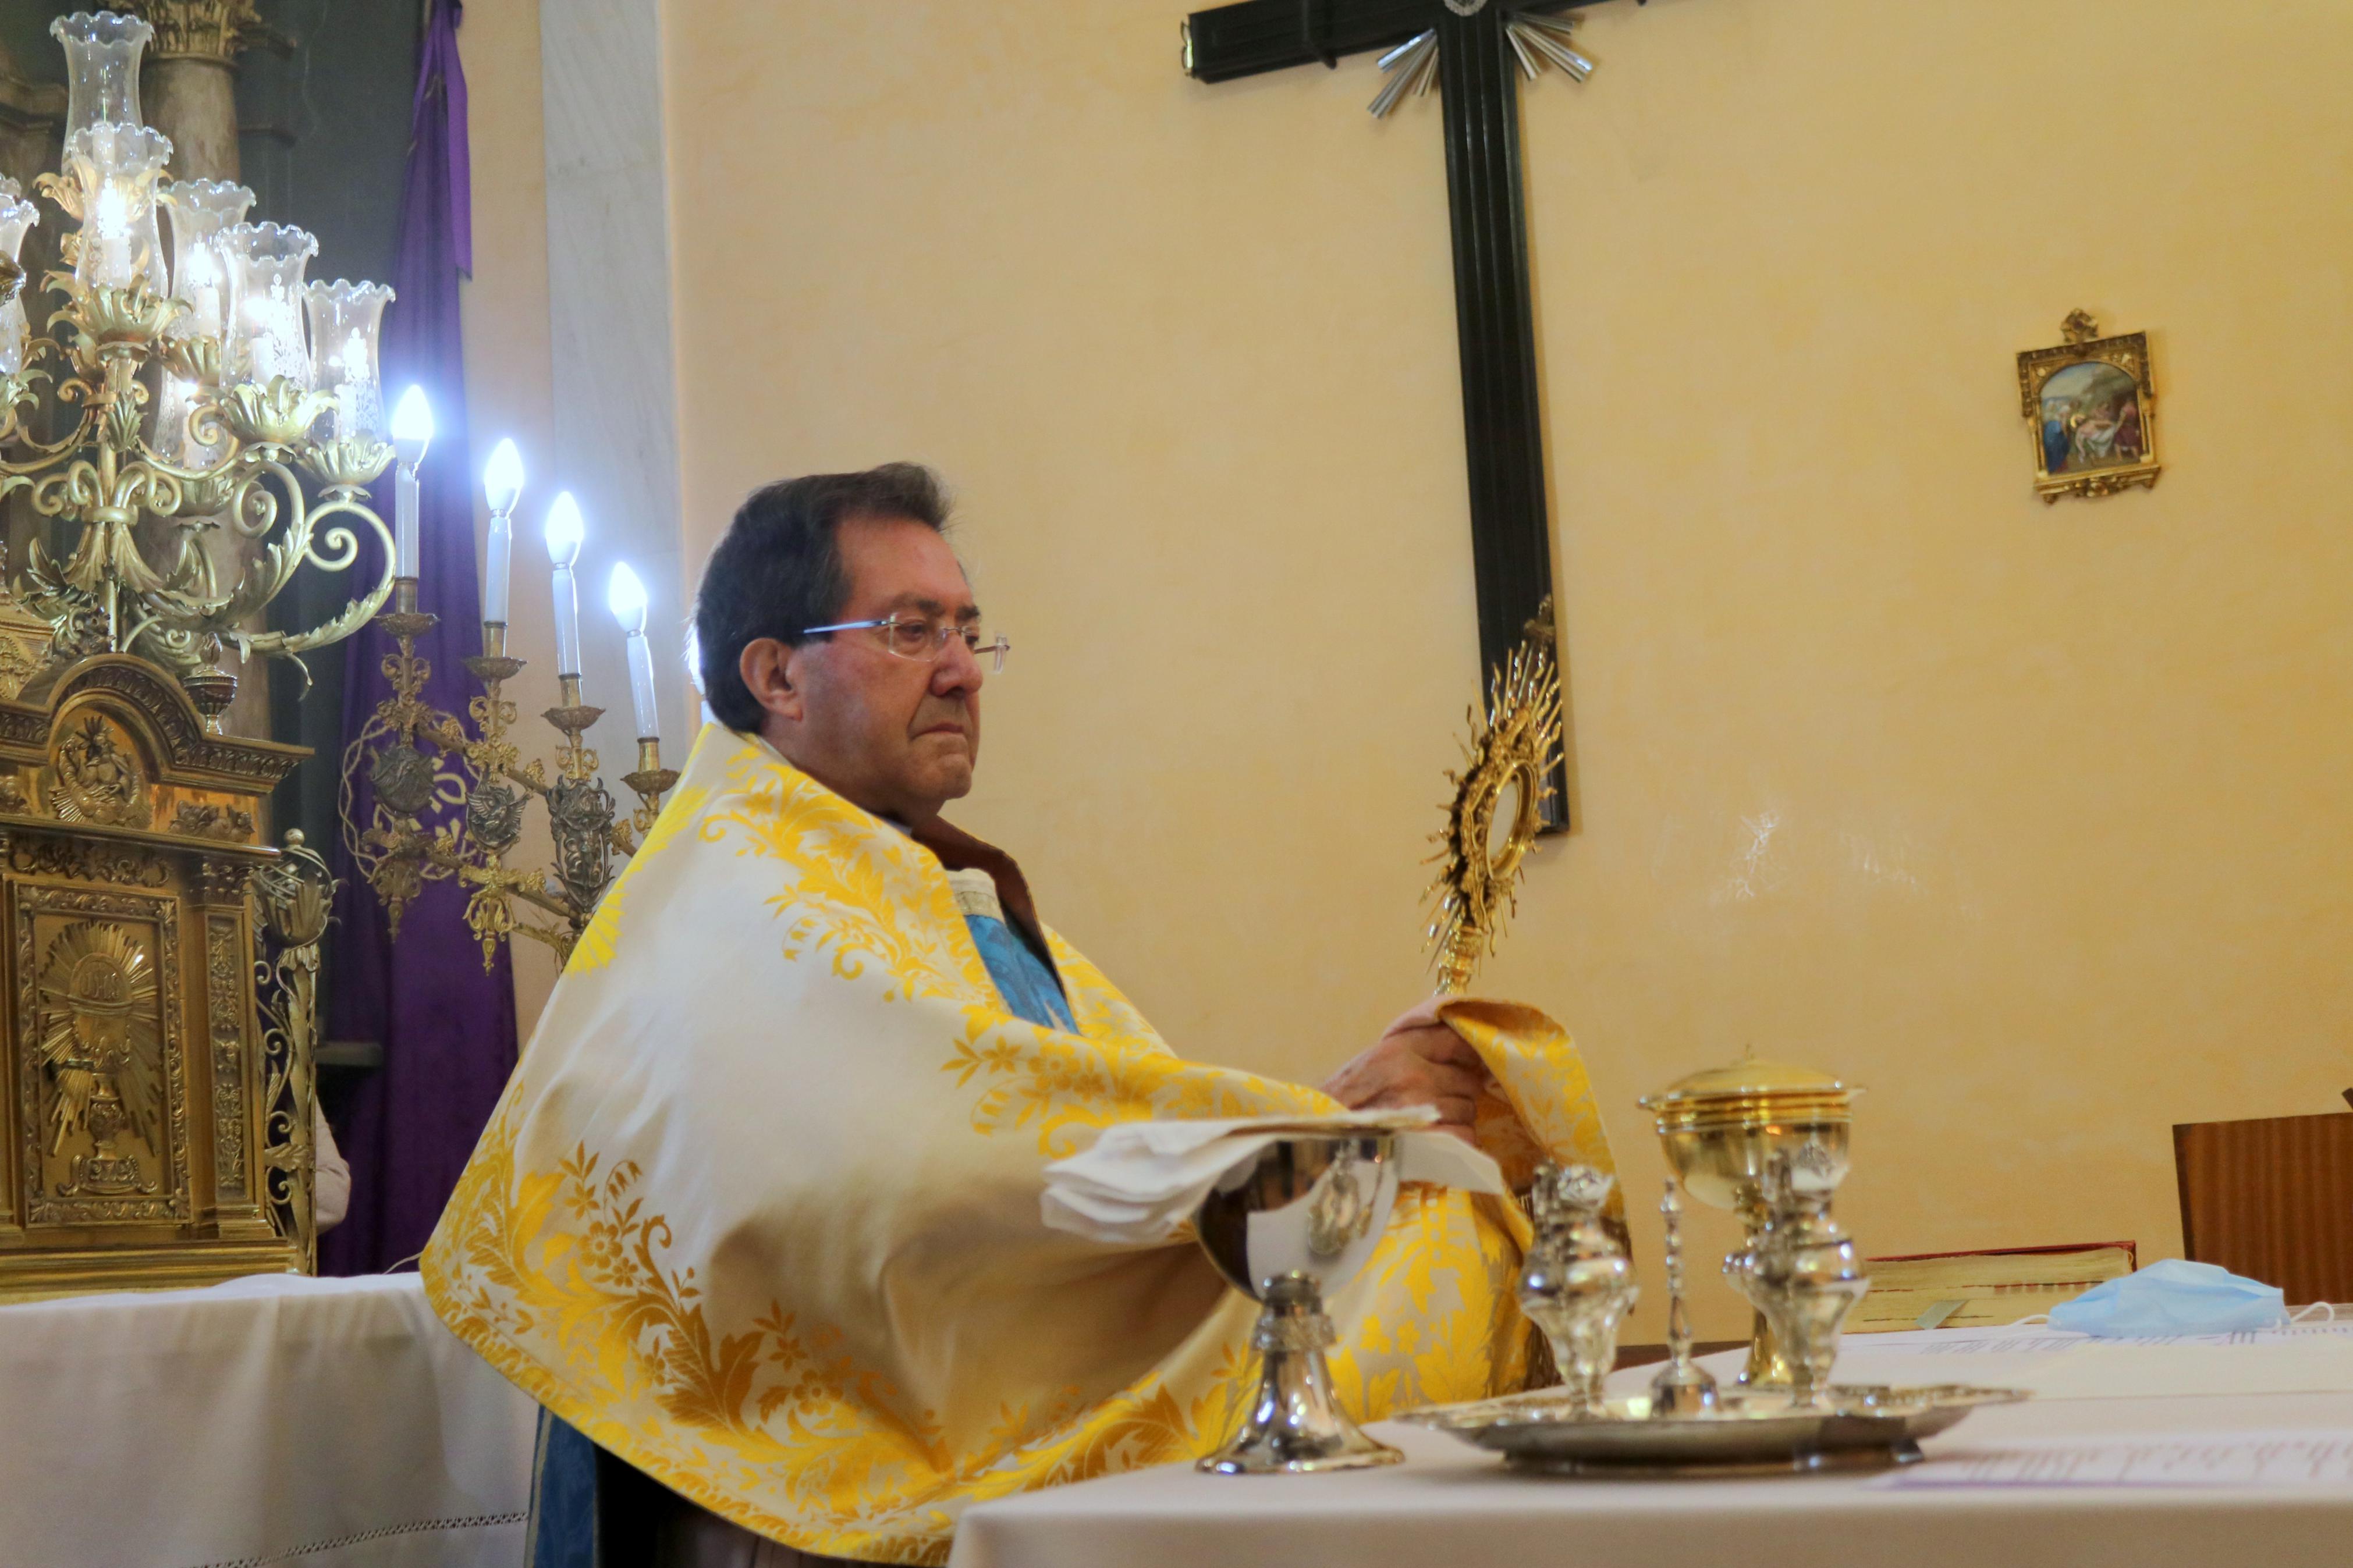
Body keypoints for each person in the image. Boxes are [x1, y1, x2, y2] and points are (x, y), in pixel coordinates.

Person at [423, 465, 1614, 1566]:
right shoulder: (730, 911)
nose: (963, 668)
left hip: (955, 1407)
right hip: (798, 1493)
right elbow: (935, 1176)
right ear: (776, 675)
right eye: (909, 630)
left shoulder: (944, 892)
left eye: (966, 628)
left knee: (1443, 1203)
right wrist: (1322, 1121)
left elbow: (1076, 1126)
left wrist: (1320, 1134)